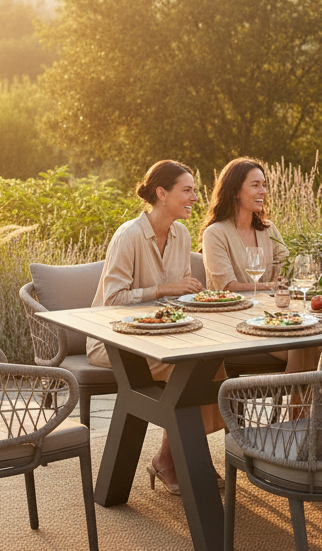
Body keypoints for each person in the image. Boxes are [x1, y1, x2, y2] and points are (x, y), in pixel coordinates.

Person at [87, 160, 225, 494]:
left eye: (195, 190)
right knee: (190, 368)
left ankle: (169, 456)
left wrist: (192, 298)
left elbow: (178, 296)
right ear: (162, 194)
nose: (195, 196)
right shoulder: (129, 236)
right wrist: (165, 289)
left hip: (163, 335)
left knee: (215, 361)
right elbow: (114, 301)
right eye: (187, 190)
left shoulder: (181, 233)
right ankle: (182, 458)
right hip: (115, 341)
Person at [201, 157, 321, 372]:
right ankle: (296, 406)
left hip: (269, 317)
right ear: (235, 191)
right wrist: (269, 286)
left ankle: (301, 405)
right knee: (305, 347)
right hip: (232, 322)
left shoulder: (268, 229)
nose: (263, 191)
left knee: (315, 344)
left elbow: (287, 268)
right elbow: (226, 286)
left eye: (264, 185)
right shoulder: (215, 233)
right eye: (255, 185)